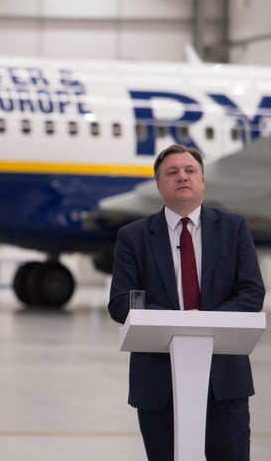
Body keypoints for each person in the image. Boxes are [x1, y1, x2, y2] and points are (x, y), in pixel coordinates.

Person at [108, 144, 265, 461]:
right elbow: (120, 302)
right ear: (159, 185)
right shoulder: (133, 236)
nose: (182, 177)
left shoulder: (234, 229)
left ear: (203, 181)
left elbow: (251, 293)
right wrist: (176, 322)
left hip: (224, 383)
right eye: (172, 172)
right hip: (157, 385)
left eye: (190, 171)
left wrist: (202, 323)